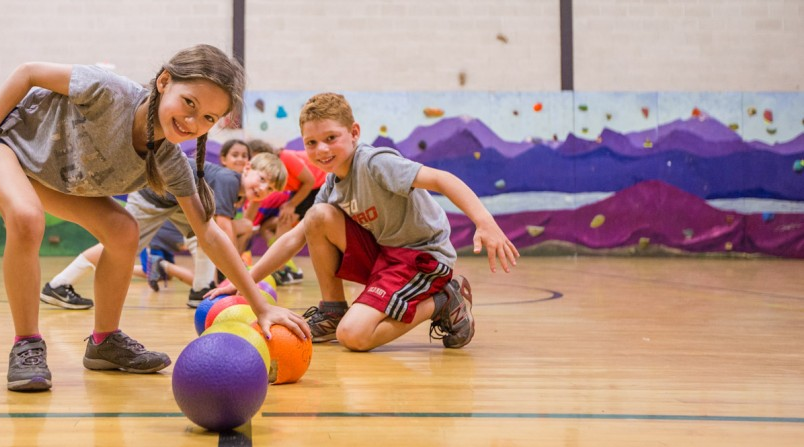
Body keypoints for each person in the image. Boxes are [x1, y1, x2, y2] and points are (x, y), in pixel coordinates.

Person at [0, 44, 309, 392]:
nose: (193, 121)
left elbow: (209, 234)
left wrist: (260, 305)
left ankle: (105, 341)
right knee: (25, 217)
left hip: (47, 172)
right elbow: (28, 72)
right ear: (164, 82)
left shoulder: (170, 162)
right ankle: (27, 344)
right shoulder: (107, 90)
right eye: (189, 103)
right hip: (1, 139)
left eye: (208, 117)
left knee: (123, 230)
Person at [210, 92, 518, 352]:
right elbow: (293, 238)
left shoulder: (375, 163)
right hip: (385, 254)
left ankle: (444, 299)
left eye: (331, 138)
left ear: (354, 133)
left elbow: (441, 178)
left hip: (420, 257)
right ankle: (332, 310)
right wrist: (242, 282)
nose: (322, 149)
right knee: (316, 216)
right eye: (312, 142)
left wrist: (484, 221)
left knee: (353, 336)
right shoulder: (331, 184)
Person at [42, 152, 286, 309]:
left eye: (270, 188)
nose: (263, 188)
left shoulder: (237, 192)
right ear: (247, 168)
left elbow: (214, 230)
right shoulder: (229, 181)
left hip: (178, 201)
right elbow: (223, 230)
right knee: (122, 246)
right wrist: (240, 277)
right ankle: (59, 284)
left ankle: (201, 290)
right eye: (262, 179)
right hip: (155, 195)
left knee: (202, 237)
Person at [238, 140, 326, 286]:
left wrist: (291, 205)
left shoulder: (285, 157)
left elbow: (309, 180)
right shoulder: (264, 182)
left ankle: (281, 268)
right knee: (266, 227)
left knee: (285, 219)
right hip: (302, 189)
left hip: (316, 185)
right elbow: (249, 221)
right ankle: (285, 267)